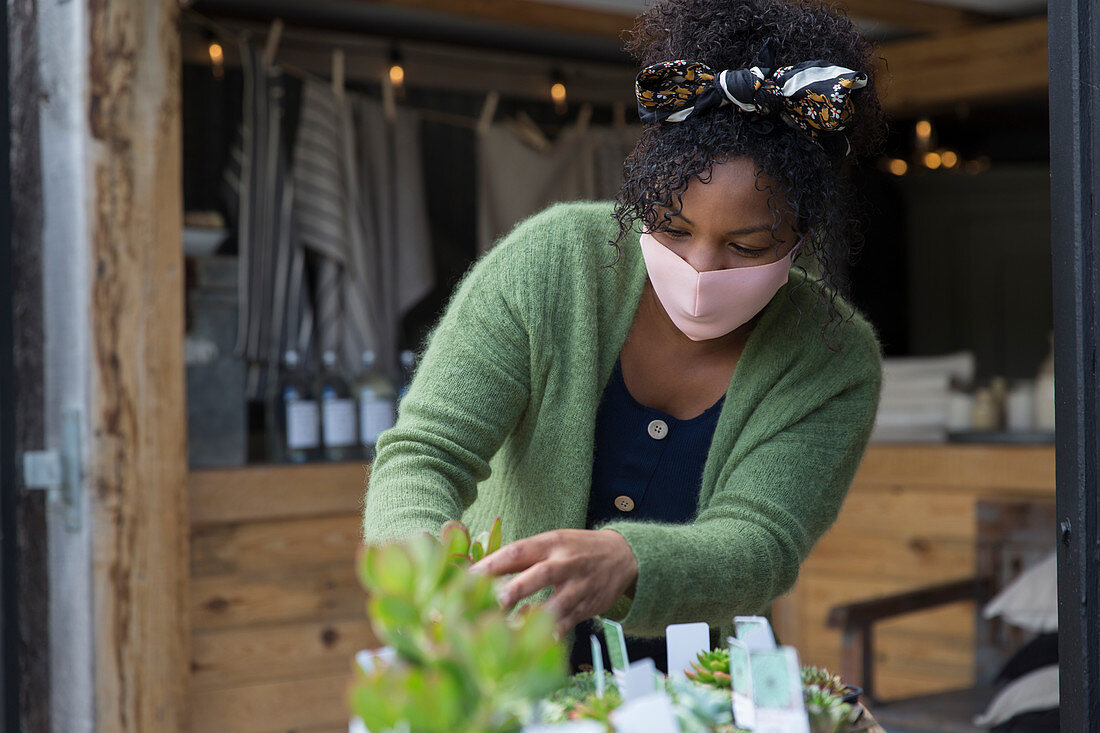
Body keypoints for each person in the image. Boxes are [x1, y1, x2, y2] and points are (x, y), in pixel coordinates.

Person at [363, 0, 886, 672]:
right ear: (641, 202)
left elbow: (761, 541)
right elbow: (423, 454)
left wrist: (629, 559)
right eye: (672, 229)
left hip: (691, 696)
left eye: (746, 245)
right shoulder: (552, 266)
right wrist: (431, 574)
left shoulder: (832, 358)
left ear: (801, 239)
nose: (700, 268)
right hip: (496, 679)